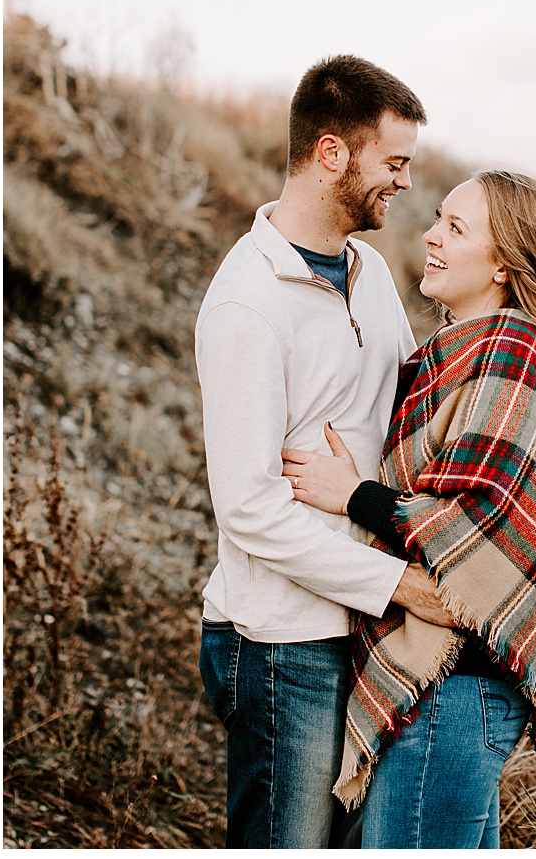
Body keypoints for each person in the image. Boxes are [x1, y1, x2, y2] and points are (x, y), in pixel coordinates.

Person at [281, 169, 536, 848]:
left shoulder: (512, 351)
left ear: (503, 264)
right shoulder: (444, 355)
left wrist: (352, 494)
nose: (430, 235)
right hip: (447, 692)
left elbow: (477, 522)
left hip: (456, 691)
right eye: (439, 218)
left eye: (456, 229)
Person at [195, 55, 455, 848]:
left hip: (360, 631)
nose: (406, 183)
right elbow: (249, 510)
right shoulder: (246, 305)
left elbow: (415, 401)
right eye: (395, 161)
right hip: (282, 645)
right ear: (333, 153)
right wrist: (401, 583)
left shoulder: (369, 270)